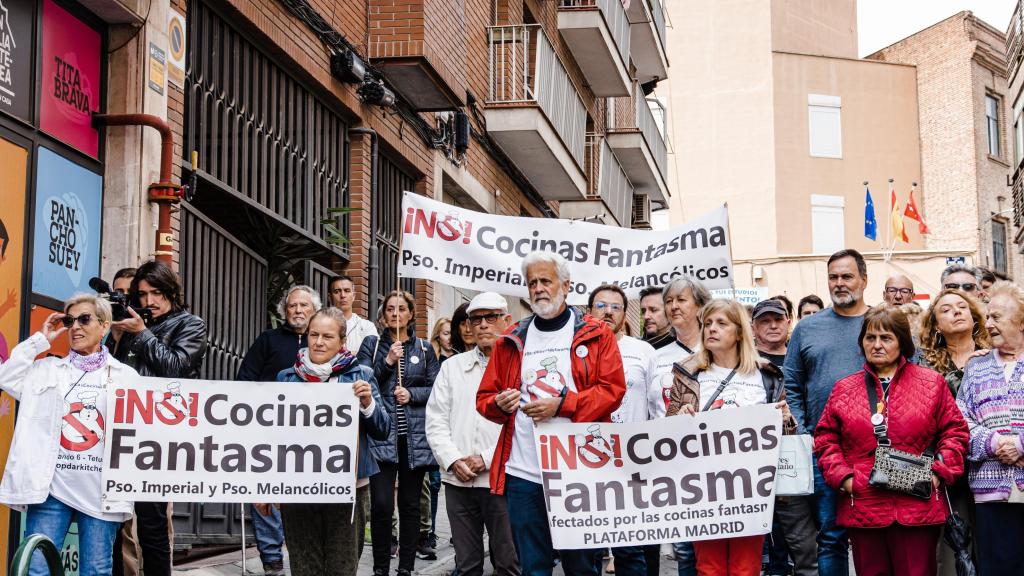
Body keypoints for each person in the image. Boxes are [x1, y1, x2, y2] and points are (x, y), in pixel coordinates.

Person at [476, 250, 625, 576]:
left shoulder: (597, 334)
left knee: (582, 565)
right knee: (533, 566)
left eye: (546, 280)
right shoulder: (510, 339)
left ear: (566, 286)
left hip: (579, 469)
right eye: (532, 283)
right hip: (524, 472)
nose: (539, 288)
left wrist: (564, 405)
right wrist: (499, 405)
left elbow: (613, 391)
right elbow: (485, 399)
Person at [814, 305, 968, 576]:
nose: (877, 345)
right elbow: (826, 439)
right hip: (863, 502)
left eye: (886, 338)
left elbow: (955, 432)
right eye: (870, 338)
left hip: (916, 504)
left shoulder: (931, 383)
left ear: (902, 342)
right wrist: (844, 477)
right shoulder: (844, 389)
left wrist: (937, 473)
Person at [0, 294, 138, 576]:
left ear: (104, 326)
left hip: (101, 493)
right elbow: (6, 378)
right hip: (51, 491)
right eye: (69, 320)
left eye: (84, 319)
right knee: (36, 567)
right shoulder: (46, 370)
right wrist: (40, 341)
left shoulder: (126, 377)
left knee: (96, 570)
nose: (75, 327)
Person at [667, 299, 794, 576]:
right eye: (708, 323)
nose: (711, 329)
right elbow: (669, 434)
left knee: (746, 569)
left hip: (750, 489)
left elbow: (786, 436)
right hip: (703, 489)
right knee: (708, 569)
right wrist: (679, 417)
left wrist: (786, 420)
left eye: (721, 323)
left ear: (739, 332)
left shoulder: (767, 376)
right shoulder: (689, 373)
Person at [265, 307, 390, 576]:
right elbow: (274, 437)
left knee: (342, 567)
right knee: (303, 565)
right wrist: (270, 485)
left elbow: (383, 429)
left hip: (349, 487)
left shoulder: (362, 376)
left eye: (327, 336)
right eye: (314, 335)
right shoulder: (286, 378)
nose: (319, 342)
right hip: (298, 487)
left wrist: (367, 403)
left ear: (342, 342)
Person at [111, 260, 207, 576]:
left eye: (156, 293)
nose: (149, 301)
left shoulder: (191, 324)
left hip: (159, 435)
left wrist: (142, 335)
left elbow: (176, 369)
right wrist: (115, 338)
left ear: (171, 292)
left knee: (151, 522)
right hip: (122, 430)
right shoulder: (134, 324)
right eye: (142, 294)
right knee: (114, 520)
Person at [784, 249, 872, 576]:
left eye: (847, 276)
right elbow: (792, 382)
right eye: (833, 277)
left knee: (872, 535)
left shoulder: (881, 324)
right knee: (831, 536)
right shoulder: (808, 329)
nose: (839, 283)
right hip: (824, 450)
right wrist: (807, 432)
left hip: (874, 449)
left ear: (864, 279)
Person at [426, 292, 520, 576]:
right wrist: (454, 460)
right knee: (466, 566)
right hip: (458, 481)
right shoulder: (452, 367)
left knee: (508, 563)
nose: (482, 325)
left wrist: (486, 459)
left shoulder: (521, 366)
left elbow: (525, 428)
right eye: (475, 319)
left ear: (507, 320)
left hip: (502, 480)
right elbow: (435, 420)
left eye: (490, 317)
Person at [235, 285, 321, 576]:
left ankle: (301, 555)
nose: (297, 310)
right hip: (267, 431)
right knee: (264, 494)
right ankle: (272, 560)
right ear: (285, 311)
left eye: (304, 306)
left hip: (310, 435)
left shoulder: (321, 342)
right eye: (292, 306)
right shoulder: (268, 340)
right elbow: (244, 380)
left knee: (300, 497)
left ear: (315, 311)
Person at [358, 290, 440, 576]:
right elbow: (363, 381)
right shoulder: (373, 343)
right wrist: (388, 362)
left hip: (412, 440)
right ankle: (381, 568)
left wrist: (412, 394)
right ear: (383, 314)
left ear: (410, 314)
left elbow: (436, 390)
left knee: (409, 505)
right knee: (381, 505)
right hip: (381, 436)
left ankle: (405, 568)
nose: (395, 314)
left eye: (401, 309)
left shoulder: (425, 349)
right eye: (390, 309)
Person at [918, 288, 990, 576]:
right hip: (949, 466)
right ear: (936, 325)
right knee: (954, 550)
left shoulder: (995, 355)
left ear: (974, 317)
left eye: (962, 306)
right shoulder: (925, 365)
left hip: (991, 463)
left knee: (993, 544)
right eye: (946, 309)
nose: (956, 311)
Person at [587, 284, 658, 576]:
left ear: (624, 314)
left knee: (630, 548)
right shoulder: (577, 349)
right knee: (587, 548)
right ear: (589, 311)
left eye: (616, 307)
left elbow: (656, 406)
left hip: (632, 460)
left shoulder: (643, 350)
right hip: (587, 458)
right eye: (601, 305)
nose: (608, 312)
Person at [955, 281, 1024, 576]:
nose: (989, 323)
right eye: (988, 316)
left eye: (997, 317)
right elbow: (960, 422)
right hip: (990, 492)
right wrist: (995, 442)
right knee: (997, 567)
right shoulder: (977, 367)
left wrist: (1021, 445)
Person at [750, 299, 817, 576]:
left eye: (778, 319)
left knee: (803, 543)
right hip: (755, 462)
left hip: (796, 458)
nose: (773, 325)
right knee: (766, 547)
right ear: (753, 327)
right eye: (765, 320)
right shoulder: (746, 363)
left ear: (789, 322)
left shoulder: (802, 358)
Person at [329, 275, 378, 354]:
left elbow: (372, 354)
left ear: (354, 296)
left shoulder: (366, 326)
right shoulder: (322, 325)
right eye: (337, 291)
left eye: (347, 291)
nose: (343, 295)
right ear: (330, 297)